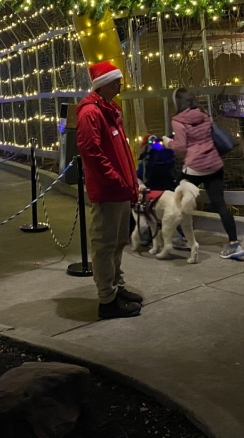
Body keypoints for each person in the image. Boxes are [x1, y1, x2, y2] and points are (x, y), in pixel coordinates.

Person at [76, 61, 142, 319]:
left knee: (118, 242)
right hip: (109, 191)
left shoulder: (109, 110)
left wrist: (128, 182)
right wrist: (115, 179)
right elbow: (91, 152)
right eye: (116, 81)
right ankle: (107, 299)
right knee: (105, 245)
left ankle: (116, 287)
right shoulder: (91, 113)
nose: (121, 84)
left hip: (120, 189)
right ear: (103, 84)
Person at [162, 88, 244, 260]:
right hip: (214, 164)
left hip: (194, 167)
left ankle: (184, 237)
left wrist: (167, 143)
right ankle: (234, 243)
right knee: (220, 204)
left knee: (175, 198)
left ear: (177, 102)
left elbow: (181, 146)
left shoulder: (178, 121)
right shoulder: (203, 114)